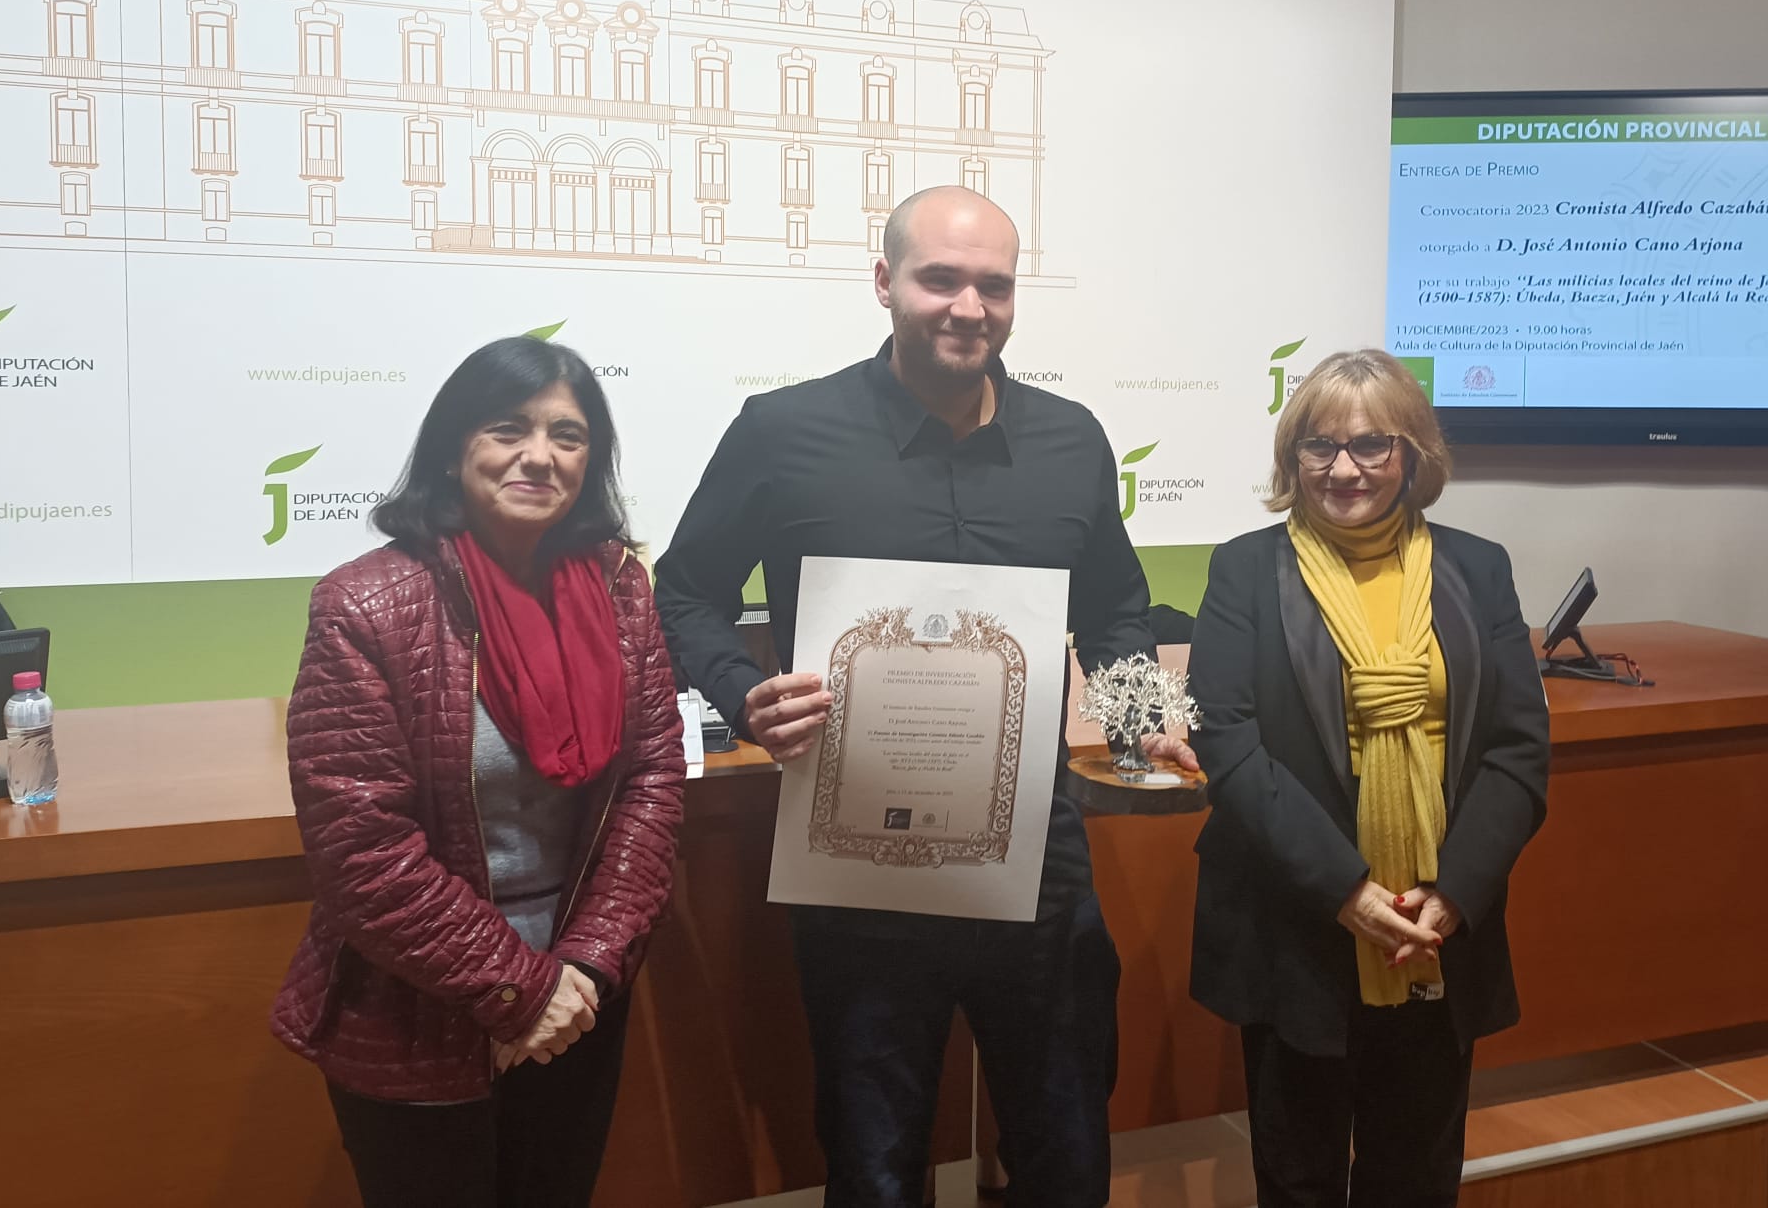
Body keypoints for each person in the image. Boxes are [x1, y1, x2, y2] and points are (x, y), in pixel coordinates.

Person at [655, 186, 1189, 1208]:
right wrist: (745, 692)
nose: (967, 305)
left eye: (992, 284)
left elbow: (1119, 605)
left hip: (1036, 855)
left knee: (1066, 1147)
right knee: (873, 1162)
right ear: (884, 283)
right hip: (855, 865)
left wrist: (1133, 718)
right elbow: (682, 593)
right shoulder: (780, 430)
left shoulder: (1071, 439)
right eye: (938, 278)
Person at [271, 337, 685, 1208]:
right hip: (421, 1007)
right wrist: (518, 991)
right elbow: (361, 853)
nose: (538, 455)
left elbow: (649, 787)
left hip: (579, 1000)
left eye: (568, 436)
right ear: (456, 448)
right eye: (508, 428)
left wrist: (584, 971)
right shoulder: (366, 603)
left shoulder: (618, 589)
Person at [1187, 348, 1549, 1208]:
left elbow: (1517, 745)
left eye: (1371, 445)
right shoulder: (1244, 569)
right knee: (1299, 1173)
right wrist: (1346, 891)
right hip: (1296, 920)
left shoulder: (1477, 568)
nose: (1343, 469)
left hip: (1432, 926)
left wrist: (1452, 894)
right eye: (1319, 446)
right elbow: (1228, 741)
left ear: (1413, 454)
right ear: (1293, 458)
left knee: (1417, 1173)